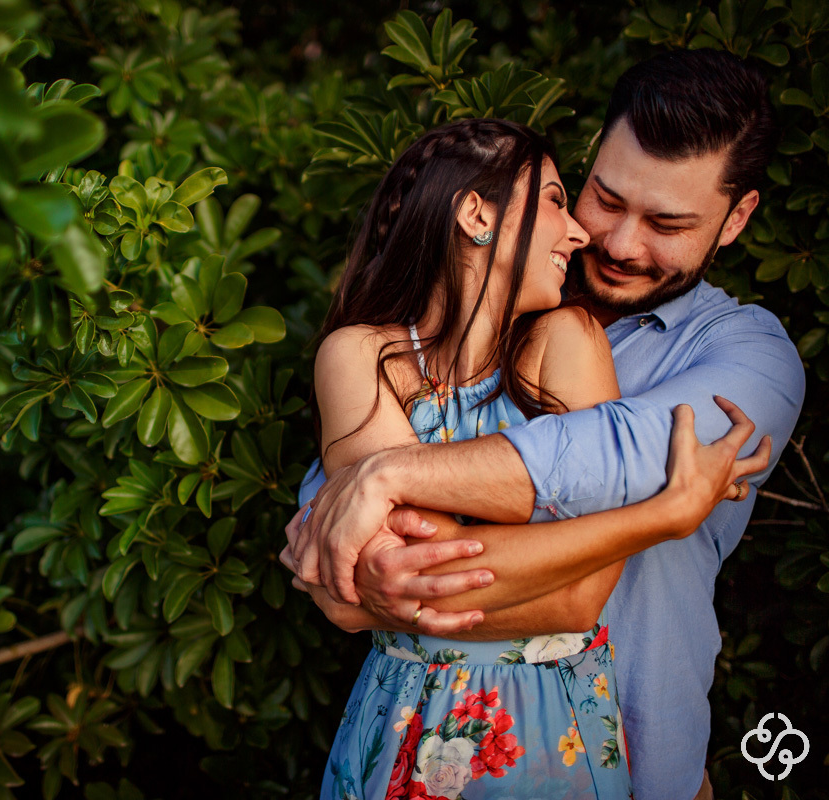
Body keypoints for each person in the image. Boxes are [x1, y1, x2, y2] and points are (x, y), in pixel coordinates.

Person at [288, 50, 805, 800]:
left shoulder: (749, 356)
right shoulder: (412, 353)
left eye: (667, 223)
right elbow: (346, 581)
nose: (617, 244)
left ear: (738, 218)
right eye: (603, 199)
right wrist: (353, 538)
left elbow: (608, 457)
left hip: (633, 768)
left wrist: (386, 480)